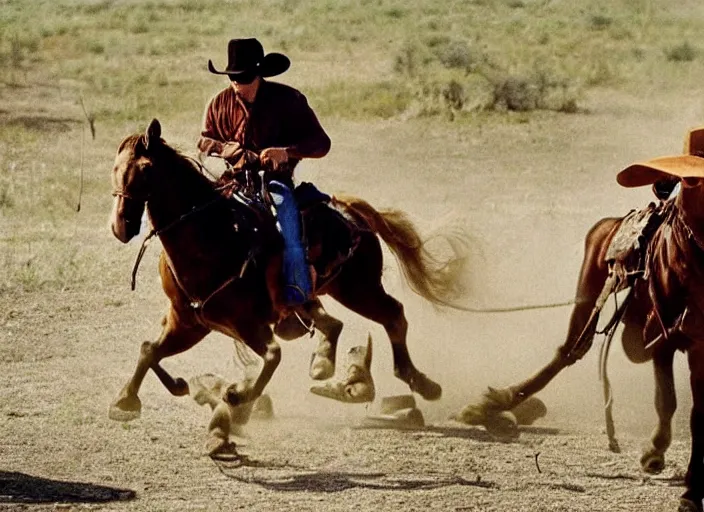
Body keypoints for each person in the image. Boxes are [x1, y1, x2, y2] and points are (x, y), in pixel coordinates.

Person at [198, 38, 331, 308]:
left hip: (274, 182)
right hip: (231, 183)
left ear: (259, 75)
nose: (238, 86)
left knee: (288, 229)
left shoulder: (288, 100)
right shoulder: (218, 103)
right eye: (233, 79)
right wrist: (227, 150)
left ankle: (297, 295)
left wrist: (287, 152)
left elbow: (321, 144)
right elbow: (204, 142)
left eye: (244, 79)